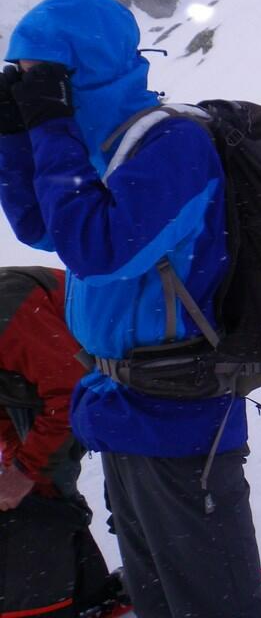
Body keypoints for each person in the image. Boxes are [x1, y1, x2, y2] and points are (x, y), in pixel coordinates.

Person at [0, 0, 261, 618]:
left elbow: (99, 250)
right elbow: (42, 228)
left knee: (216, 603)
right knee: (156, 593)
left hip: (179, 407)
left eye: (38, 74)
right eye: (20, 75)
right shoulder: (100, 150)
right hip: (119, 403)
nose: (28, 87)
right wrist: (18, 135)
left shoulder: (170, 145)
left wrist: (50, 126)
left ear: (82, 69)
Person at [0, 265, 125, 618]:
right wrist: (16, 469)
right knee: (43, 492)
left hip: (126, 366)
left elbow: (69, 392)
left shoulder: (8, 313)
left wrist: (25, 471)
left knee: (133, 490)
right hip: (59, 377)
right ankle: (83, 590)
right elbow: (5, 410)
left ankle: (165, 574)